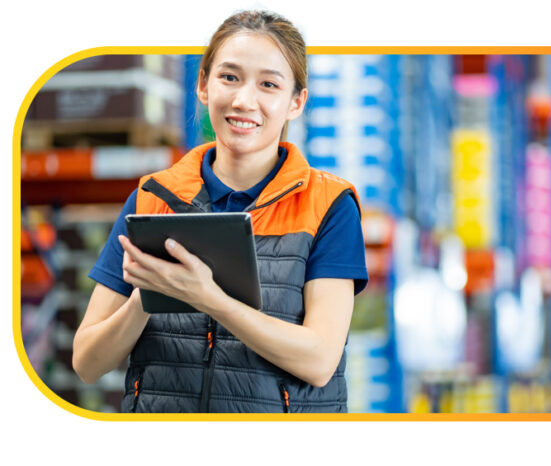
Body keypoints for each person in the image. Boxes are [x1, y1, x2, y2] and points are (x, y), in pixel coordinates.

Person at [72, 10, 368, 413]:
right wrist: (148, 296)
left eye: (268, 84)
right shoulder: (153, 197)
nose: (244, 100)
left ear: (295, 102)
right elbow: (87, 363)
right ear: (203, 85)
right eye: (229, 77)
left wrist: (210, 298)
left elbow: (318, 361)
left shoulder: (328, 206)